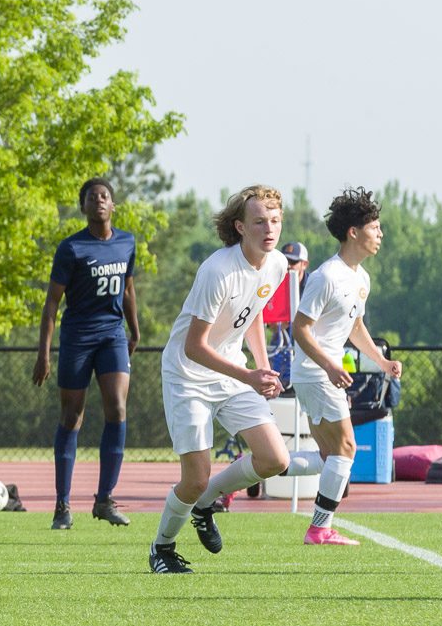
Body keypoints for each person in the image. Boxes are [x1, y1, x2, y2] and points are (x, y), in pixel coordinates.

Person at [149, 184, 293, 573]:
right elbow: (193, 347)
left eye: (275, 221)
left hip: (232, 371)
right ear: (240, 227)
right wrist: (249, 375)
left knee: (274, 459)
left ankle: (205, 502)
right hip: (187, 376)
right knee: (194, 479)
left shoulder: (277, 263)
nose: (269, 229)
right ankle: (162, 549)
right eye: (260, 221)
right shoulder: (217, 270)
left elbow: (254, 312)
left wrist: (263, 368)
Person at [291, 187, 402, 545]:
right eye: (375, 227)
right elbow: (300, 328)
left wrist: (382, 361)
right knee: (347, 450)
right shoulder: (326, 276)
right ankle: (319, 528)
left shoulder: (361, 278)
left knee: (329, 457)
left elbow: (355, 327)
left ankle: (255, 466)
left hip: (320, 373)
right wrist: (328, 366)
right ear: (353, 232)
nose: (381, 234)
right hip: (315, 373)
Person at [32, 177, 139, 530]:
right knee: (71, 415)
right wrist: (43, 354)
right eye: (92, 197)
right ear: (83, 207)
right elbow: (51, 303)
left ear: (113, 205)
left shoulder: (126, 242)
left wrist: (134, 329)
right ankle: (62, 505)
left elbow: (127, 288)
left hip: (112, 335)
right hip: (77, 337)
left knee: (117, 407)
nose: (99, 201)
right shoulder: (71, 248)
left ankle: (105, 499)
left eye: (105, 196)